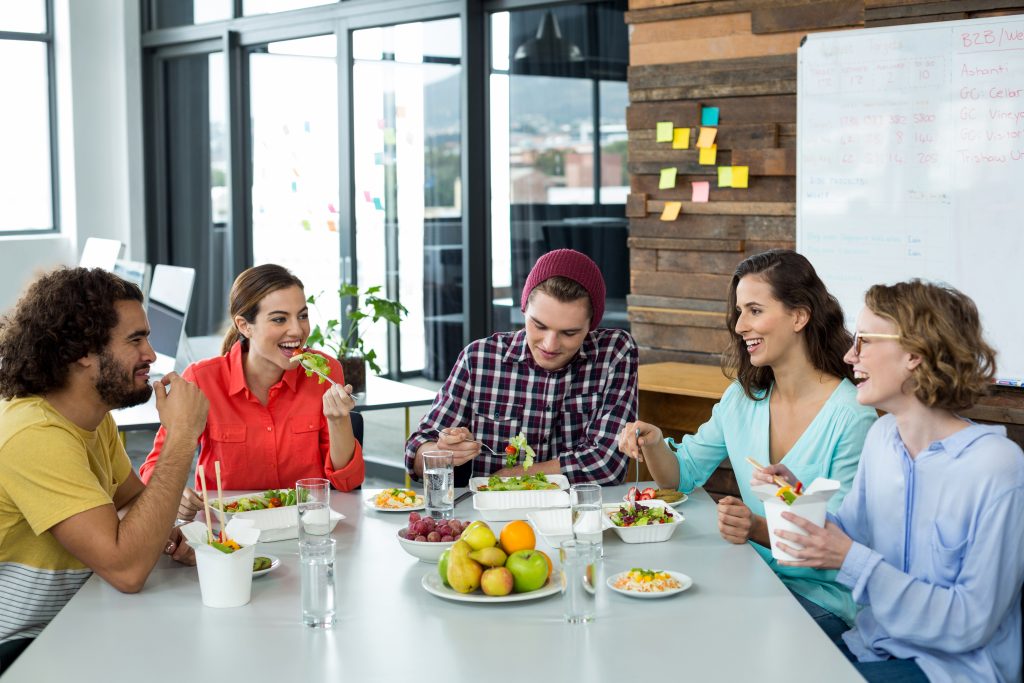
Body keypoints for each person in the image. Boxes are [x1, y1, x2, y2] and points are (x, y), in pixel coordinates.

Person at [761, 280, 1024, 683]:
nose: (850, 355)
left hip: (950, 669)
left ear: (915, 353)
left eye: (864, 340)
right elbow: (851, 533)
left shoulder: (996, 467)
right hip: (872, 646)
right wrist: (796, 498)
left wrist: (850, 557)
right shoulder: (883, 439)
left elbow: (971, 623)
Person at [617, 249, 877, 629]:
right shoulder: (742, 398)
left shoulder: (853, 417)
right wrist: (654, 441)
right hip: (749, 577)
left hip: (821, 599)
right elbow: (681, 476)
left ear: (799, 316)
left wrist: (756, 528)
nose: (739, 326)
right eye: (740, 312)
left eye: (754, 310)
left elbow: (839, 545)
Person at [0, 267, 209, 671]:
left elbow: (133, 504)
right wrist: (182, 437)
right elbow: (127, 569)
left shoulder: (93, 419)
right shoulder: (34, 434)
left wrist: (167, 531)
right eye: (136, 340)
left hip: (77, 619)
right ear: (82, 350)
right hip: (22, 646)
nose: (150, 354)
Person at [141, 264, 363, 519]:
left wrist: (339, 421)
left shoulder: (324, 373)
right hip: (226, 533)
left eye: (302, 316)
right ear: (244, 325)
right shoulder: (202, 380)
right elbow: (153, 468)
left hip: (304, 526)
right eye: (280, 319)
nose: (298, 330)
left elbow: (348, 482)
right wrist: (175, 494)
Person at [405, 249, 638, 486]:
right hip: (489, 520)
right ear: (524, 309)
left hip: (576, 516)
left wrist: (510, 477)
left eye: (569, 333)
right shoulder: (479, 358)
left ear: (591, 325)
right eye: (539, 325)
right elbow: (416, 452)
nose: (550, 344)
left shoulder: (614, 352)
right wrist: (441, 452)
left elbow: (608, 464)